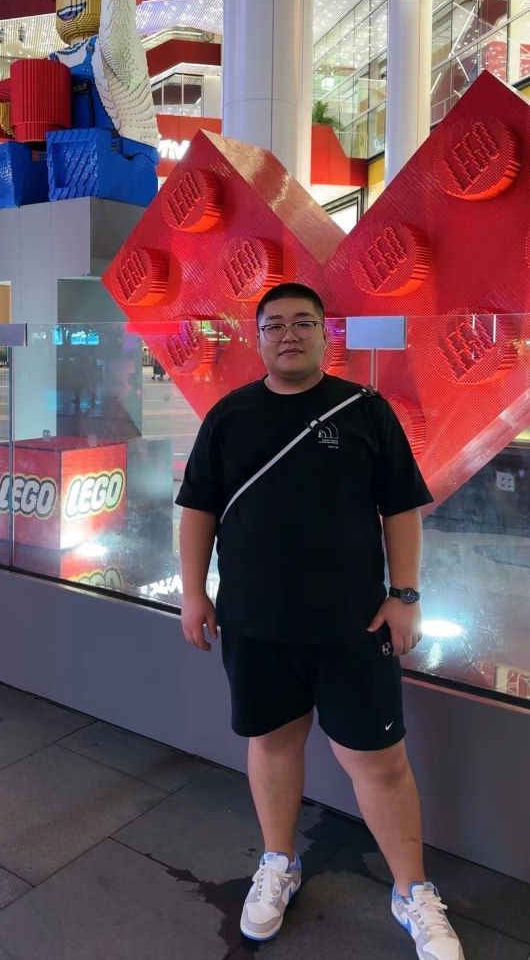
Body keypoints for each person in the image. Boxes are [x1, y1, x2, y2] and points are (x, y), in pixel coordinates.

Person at [177, 282, 465, 960]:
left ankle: (412, 892)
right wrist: (194, 594)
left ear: (325, 335)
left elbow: (400, 508)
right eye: (274, 324)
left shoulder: (366, 410)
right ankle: (278, 863)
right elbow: (199, 510)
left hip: (353, 625)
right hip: (255, 622)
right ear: (258, 338)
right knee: (273, 742)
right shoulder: (229, 416)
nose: (289, 334)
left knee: (378, 761)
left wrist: (406, 595)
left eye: (304, 322)